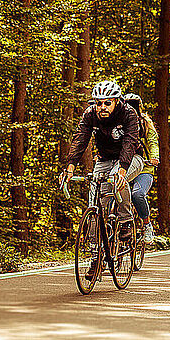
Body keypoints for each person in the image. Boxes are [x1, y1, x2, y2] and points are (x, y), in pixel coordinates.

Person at [59, 81, 143, 276]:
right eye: (99, 103)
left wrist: (122, 170)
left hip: (132, 158)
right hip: (104, 159)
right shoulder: (90, 114)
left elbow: (130, 143)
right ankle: (96, 258)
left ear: (116, 102)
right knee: (95, 205)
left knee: (116, 180)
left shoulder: (128, 113)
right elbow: (81, 138)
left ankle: (125, 221)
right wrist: (70, 168)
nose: (102, 107)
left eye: (107, 103)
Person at [124, 93, 159, 242]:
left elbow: (152, 142)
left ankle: (147, 224)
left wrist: (154, 157)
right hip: (125, 168)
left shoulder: (146, 124)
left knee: (137, 194)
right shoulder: (121, 123)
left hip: (144, 169)